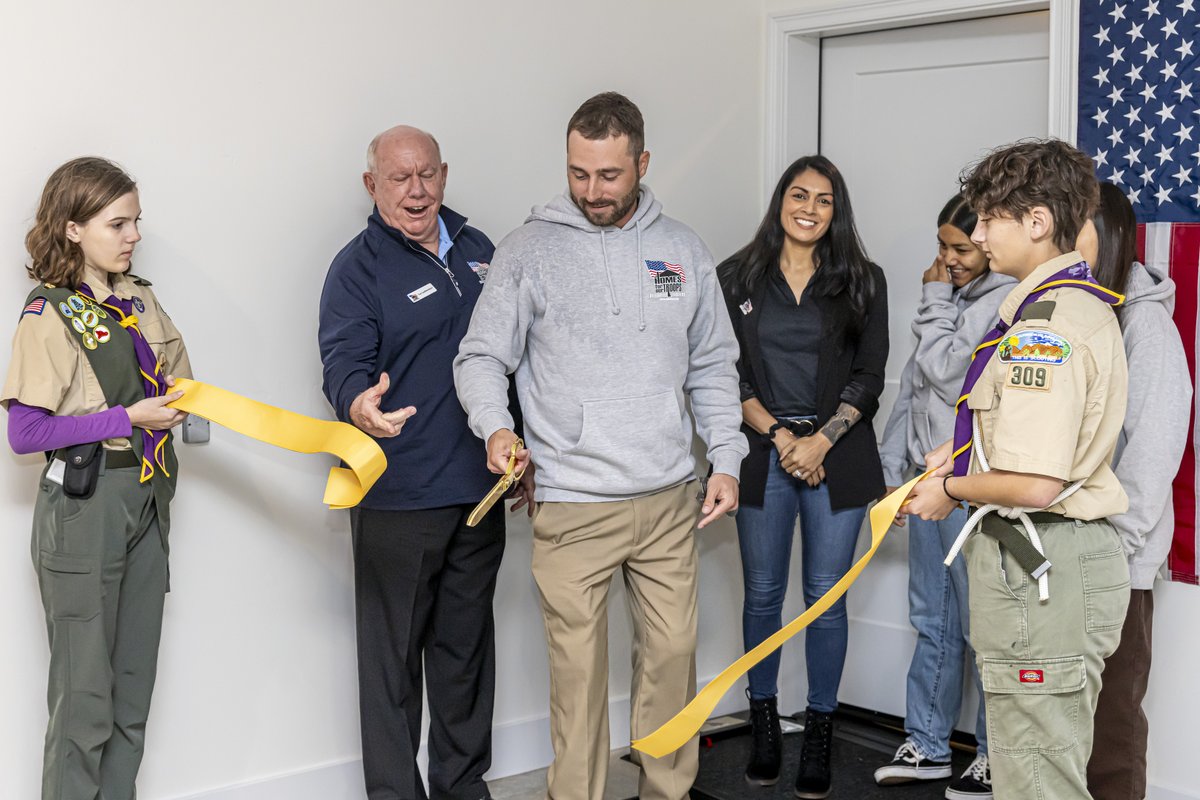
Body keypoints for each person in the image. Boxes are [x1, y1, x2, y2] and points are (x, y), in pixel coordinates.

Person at [453, 92, 746, 800]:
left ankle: (665, 792)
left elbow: (712, 363)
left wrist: (728, 459)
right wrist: (497, 427)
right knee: (579, 681)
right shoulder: (529, 250)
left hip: (669, 499)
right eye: (579, 174)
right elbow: (481, 358)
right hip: (573, 505)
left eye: (609, 175)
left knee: (673, 661)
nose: (593, 191)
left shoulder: (680, 249)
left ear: (642, 163)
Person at [904, 140, 1131, 800]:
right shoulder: (1048, 310)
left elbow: (1037, 483)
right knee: (1029, 769)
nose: (976, 236)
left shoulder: (1046, 328)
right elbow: (1030, 438)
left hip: (1045, 569)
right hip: (1039, 568)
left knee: (1037, 780)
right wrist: (963, 457)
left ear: (1035, 222)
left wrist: (947, 489)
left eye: (987, 219)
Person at [318, 126, 528, 800]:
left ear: (444, 173)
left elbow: (513, 357)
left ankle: (463, 786)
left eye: (427, 174)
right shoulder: (356, 269)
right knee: (391, 667)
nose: (417, 191)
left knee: (466, 653)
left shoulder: (479, 249)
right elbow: (343, 364)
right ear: (371, 185)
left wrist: (519, 444)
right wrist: (359, 408)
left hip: (479, 491)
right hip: (398, 498)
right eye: (400, 178)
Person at [3, 157, 192, 800]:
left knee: (131, 696)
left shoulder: (139, 299)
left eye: (137, 221)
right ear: (73, 228)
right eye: (118, 223)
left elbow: (179, 382)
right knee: (83, 704)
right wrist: (125, 415)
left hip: (147, 499)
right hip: (85, 507)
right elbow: (24, 435)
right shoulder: (48, 314)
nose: (133, 234)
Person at [717, 154, 888, 798]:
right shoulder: (734, 277)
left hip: (836, 456)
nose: (809, 208)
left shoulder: (864, 280)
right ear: (780, 201)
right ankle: (764, 724)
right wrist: (784, 437)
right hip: (763, 453)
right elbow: (720, 372)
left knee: (825, 598)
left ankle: (818, 729)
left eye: (823, 199)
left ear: (836, 210)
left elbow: (869, 376)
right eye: (799, 194)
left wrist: (821, 440)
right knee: (762, 594)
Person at [874, 195, 1012, 799]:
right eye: (941, 247)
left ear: (988, 243)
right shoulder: (951, 301)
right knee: (933, 619)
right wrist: (890, 469)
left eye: (960, 249)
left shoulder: (1007, 305)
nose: (946, 260)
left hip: (973, 494)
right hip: (927, 488)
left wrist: (931, 303)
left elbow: (956, 376)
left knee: (986, 628)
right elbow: (913, 389)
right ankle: (928, 745)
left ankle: (992, 755)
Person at [1077, 183, 1190, 800]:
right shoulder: (1067, 315)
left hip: (1114, 564)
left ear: (1109, 234)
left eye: (1073, 227)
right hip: (1060, 560)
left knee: (1111, 732)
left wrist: (1110, 556)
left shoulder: (1145, 325)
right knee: (1064, 729)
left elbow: (1151, 455)